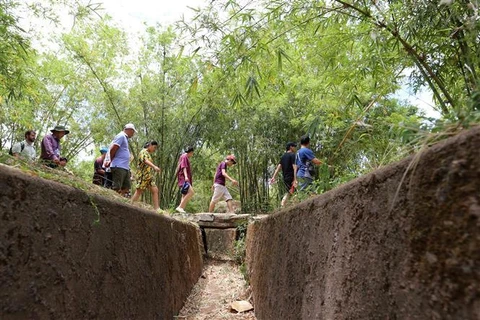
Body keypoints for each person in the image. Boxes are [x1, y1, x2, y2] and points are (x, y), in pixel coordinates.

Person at [104, 123, 136, 196]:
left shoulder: (125, 138)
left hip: (125, 167)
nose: (133, 134)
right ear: (129, 130)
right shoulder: (121, 136)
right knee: (116, 187)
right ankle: (113, 201)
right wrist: (110, 160)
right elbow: (113, 148)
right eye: (133, 132)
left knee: (126, 187)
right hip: (118, 165)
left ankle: (121, 202)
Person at [131, 141, 162, 213]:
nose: (154, 149)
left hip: (149, 177)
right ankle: (131, 204)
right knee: (139, 191)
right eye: (154, 147)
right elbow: (145, 160)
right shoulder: (143, 152)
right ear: (150, 145)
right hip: (143, 175)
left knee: (155, 190)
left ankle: (157, 208)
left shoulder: (148, 153)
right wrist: (154, 166)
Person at [270, 142, 298, 207]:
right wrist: (295, 179)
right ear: (291, 147)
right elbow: (295, 168)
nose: (295, 148)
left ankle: (288, 207)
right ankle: (283, 205)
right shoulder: (292, 155)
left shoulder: (283, 156)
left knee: (292, 192)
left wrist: (273, 177)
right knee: (290, 192)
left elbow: (278, 168)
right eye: (294, 146)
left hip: (285, 178)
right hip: (291, 178)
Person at [175, 146, 195, 213]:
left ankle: (181, 209)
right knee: (191, 192)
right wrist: (186, 177)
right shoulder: (184, 156)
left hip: (183, 178)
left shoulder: (183, 156)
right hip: (183, 178)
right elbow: (184, 167)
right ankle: (180, 207)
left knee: (184, 194)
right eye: (192, 153)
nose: (192, 155)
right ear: (191, 152)